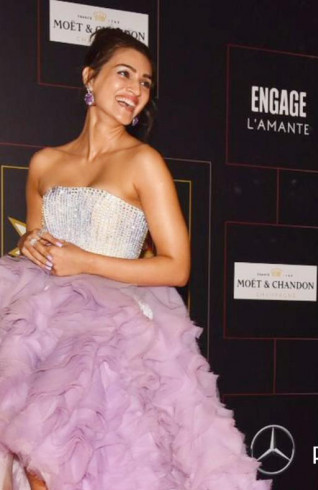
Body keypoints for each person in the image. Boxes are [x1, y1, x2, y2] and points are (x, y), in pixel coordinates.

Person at [0, 28, 269, 490]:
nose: (136, 89)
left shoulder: (144, 162)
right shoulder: (44, 163)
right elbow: (39, 242)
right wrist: (30, 246)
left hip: (111, 338)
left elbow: (177, 266)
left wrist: (85, 262)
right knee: (29, 461)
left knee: (81, 467)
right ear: (90, 77)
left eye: (145, 82)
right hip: (44, 329)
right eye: (124, 74)